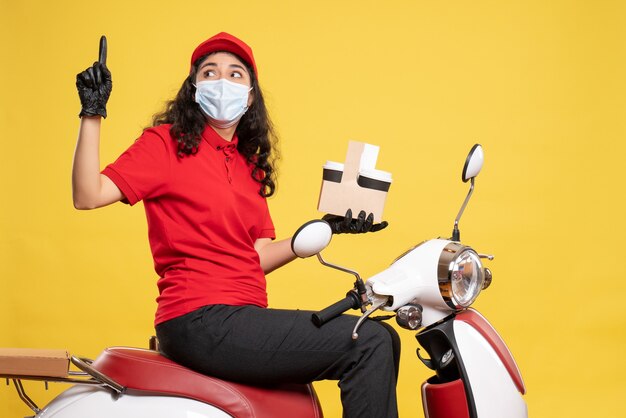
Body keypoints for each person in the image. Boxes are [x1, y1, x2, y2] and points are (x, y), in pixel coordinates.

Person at [73, 32, 400, 418]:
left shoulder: (248, 164)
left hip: (241, 316)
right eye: (209, 73)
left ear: (249, 96)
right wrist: (92, 112)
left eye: (235, 74)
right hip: (198, 317)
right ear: (194, 88)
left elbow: (256, 255)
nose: (221, 82)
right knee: (369, 341)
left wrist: (324, 229)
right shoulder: (165, 144)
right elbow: (87, 194)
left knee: (386, 337)